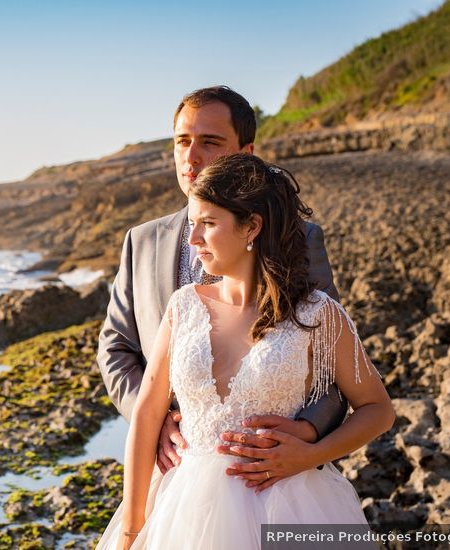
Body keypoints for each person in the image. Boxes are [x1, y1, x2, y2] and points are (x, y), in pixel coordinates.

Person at [96, 153, 395, 549]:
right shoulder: (184, 306)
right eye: (191, 224)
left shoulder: (317, 313)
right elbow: (148, 413)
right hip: (182, 512)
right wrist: (132, 531)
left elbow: (378, 409)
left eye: (208, 224)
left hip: (288, 508)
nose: (193, 240)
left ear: (251, 226)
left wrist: (312, 454)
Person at [98, 86, 347, 487]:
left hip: (272, 474)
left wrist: (307, 434)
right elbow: (116, 346)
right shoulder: (141, 241)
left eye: (209, 142)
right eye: (182, 141)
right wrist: (154, 421)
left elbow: (332, 362)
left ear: (246, 156)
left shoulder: (297, 238)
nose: (191, 156)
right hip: (170, 470)